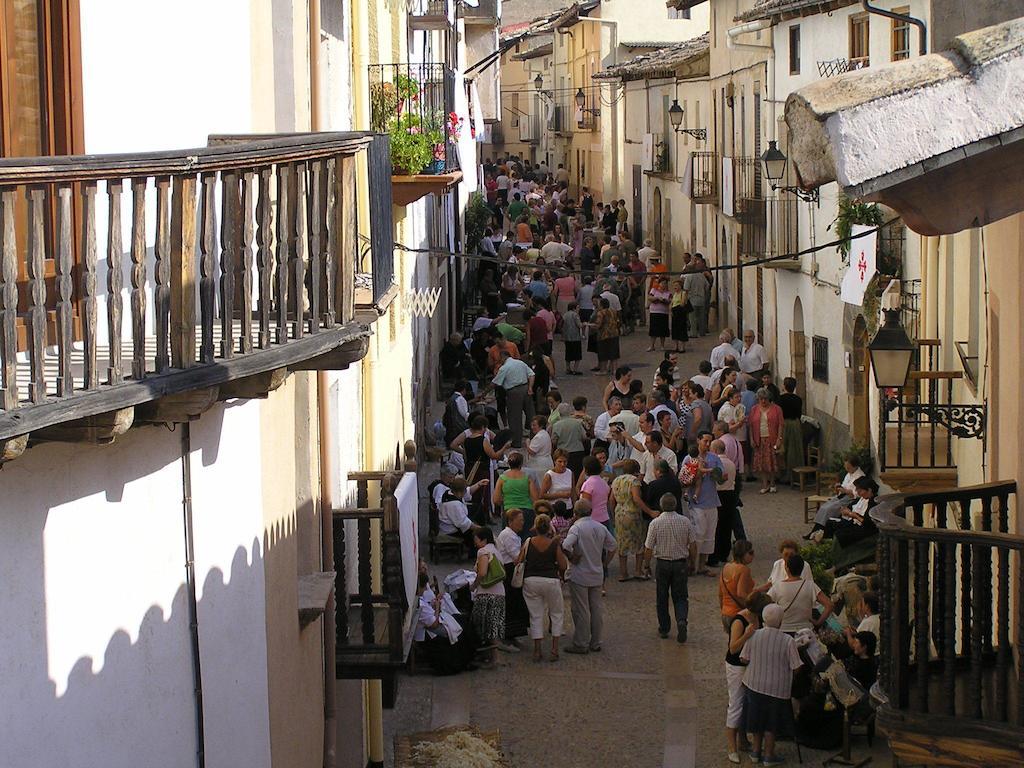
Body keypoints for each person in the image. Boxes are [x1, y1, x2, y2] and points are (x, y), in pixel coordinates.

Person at [740, 603, 804, 766]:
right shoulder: (788, 641)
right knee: (771, 722)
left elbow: (744, 658)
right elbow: (796, 667)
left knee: (757, 718)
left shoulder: (754, 635)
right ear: (781, 621)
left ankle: (755, 751)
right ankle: (768, 754)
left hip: (754, 684)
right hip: (777, 689)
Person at [562, 499, 617, 654]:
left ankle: (581, 642)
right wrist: (605, 563)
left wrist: (572, 557)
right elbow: (612, 545)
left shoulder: (577, 528)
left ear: (576, 513)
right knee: (596, 608)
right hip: (596, 573)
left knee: (581, 609)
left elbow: (565, 545)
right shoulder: (599, 527)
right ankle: (596, 641)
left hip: (580, 574)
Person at [725, 591, 773, 763]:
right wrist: (747, 634)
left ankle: (743, 739)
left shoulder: (758, 618)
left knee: (749, 702)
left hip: (751, 664)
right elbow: (733, 648)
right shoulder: (739, 621)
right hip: (737, 666)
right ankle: (732, 746)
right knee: (736, 703)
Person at [643, 493, 697, 643]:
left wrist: (646, 565)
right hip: (680, 563)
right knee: (680, 596)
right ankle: (681, 619)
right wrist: (693, 562)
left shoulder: (655, 523)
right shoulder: (685, 522)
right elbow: (692, 545)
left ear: (661, 506)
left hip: (662, 563)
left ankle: (664, 627)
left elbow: (648, 547)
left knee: (662, 597)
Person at [516, 513, 569, 662]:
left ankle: (537, 650)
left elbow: (518, 560)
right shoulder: (553, 544)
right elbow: (563, 565)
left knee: (535, 615)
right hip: (550, 580)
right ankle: (554, 649)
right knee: (556, 613)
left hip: (531, 580)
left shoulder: (528, 542)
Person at [683, 431, 724, 575]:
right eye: (705, 441)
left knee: (709, 534)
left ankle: (702, 565)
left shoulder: (714, 458)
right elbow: (684, 478)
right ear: (698, 440)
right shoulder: (689, 458)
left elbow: (721, 477)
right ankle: (692, 565)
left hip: (712, 500)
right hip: (697, 503)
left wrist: (717, 473)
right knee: (697, 534)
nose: (707, 444)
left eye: (709, 442)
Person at [767, 553, 834, 633]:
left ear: (787, 568)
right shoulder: (810, 586)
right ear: (802, 569)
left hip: (784, 631)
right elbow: (829, 605)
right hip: (806, 632)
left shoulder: (777, 587)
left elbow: (765, 604)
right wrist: (818, 623)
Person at [806, 454, 865, 538]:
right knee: (823, 507)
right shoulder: (849, 473)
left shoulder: (860, 476)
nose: (846, 469)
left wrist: (845, 491)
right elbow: (844, 485)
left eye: (848, 467)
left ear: (855, 466)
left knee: (828, 509)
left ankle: (820, 532)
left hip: (849, 499)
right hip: (842, 496)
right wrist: (839, 486)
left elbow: (857, 494)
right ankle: (815, 530)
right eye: (846, 467)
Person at [471, 527, 506, 668]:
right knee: (494, 626)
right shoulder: (497, 551)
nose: (475, 544)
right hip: (499, 593)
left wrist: (474, 585)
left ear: (483, 540)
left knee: (483, 625)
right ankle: (495, 657)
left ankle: (493, 658)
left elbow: (483, 572)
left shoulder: (483, 551)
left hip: (486, 593)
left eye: (476, 540)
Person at [496, 509, 529, 650]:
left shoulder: (511, 535)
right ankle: (507, 637)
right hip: (509, 572)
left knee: (515, 603)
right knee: (511, 603)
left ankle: (513, 635)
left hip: (511, 571)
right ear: (511, 521)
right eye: (519, 520)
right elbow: (517, 557)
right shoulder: (508, 536)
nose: (522, 522)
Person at [608, 459, 646, 581]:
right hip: (632, 513)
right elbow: (636, 498)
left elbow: (611, 500)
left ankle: (623, 573)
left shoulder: (616, 480)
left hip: (619, 513)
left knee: (622, 543)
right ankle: (638, 570)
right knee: (639, 542)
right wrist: (649, 511)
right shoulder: (634, 481)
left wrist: (614, 515)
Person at [491, 350, 535, 448]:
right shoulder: (520, 363)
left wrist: (485, 393)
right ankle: (535, 438)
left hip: (513, 392)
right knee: (531, 415)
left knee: (515, 417)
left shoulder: (504, 368)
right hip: (525, 388)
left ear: (503, 357)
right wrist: (530, 387)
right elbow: (531, 374)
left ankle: (517, 441)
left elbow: (495, 383)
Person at [823, 476, 879, 547]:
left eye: (860, 490)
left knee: (839, 534)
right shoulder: (863, 498)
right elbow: (851, 508)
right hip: (855, 522)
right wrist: (847, 512)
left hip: (865, 528)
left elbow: (867, 522)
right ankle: (826, 546)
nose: (858, 493)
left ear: (869, 490)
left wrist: (853, 515)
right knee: (830, 523)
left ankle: (833, 551)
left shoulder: (874, 502)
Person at [492, 452, 539, 538]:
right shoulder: (527, 478)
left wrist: (505, 500)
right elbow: (536, 499)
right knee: (526, 539)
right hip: (527, 511)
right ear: (521, 464)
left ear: (509, 464)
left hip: (509, 511)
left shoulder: (502, 478)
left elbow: (496, 500)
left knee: (509, 539)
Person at [749, 387, 784, 494]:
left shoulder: (777, 409)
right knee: (761, 463)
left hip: (771, 439)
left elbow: (781, 425)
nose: (763, 401)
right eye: (761, 399)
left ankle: (772, 483)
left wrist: (779, 438)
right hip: (759, 439)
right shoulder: (754, 409)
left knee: (772, 462)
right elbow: (750, 425)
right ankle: (765, 484)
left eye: (765, 399)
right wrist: (751, 439)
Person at [711, 439, 740, 567]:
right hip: (730, 494)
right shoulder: (731, 463)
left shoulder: (717, 464)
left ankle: (715, 554)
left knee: (716, 526)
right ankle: (724, 553)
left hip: (719, 494)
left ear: (716, 450)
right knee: (727, 526)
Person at [439, 477, 486, 549]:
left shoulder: (450, 492)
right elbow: (464, 523)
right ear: (460, 492)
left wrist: (479, 484)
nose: (465, 492)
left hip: (455, 522)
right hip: (451, 530)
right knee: (477, 534)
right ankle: (474, 552)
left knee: (478, 507)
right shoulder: (454, 504)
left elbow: (468, 491)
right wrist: (481, 529)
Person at [719, 540, 755, 632]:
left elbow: (720, 594)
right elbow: (741, 593)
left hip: (726, 613)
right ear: (743, 554)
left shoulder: (726, 567)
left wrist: (723, 609)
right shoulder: (743, 570)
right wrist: (755, 603)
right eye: (751, 553)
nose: (753, 556)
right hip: (738, 613)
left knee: (732, 642)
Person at [550, 402, 588, 479]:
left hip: (563, 453)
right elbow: (584, 437)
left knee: (564, 476)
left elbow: (554, 441)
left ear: (559, 413)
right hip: (578, 452)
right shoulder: (577, 423)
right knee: (577, 476)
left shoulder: (557, 425)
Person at [777, 377, 804, 481]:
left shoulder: (780, 399)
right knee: (795, 449)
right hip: (795, 424)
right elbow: (799, 414)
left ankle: (784, 475)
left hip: (784, 424)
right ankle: (796, 475)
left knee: (784, 449)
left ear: (784, 386)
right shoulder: (798, 399)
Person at [577, 455, 612, 532]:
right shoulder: (604, 483)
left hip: (592, 521)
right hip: (604, 518)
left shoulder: (588, 484)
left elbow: (585, 505)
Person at [592, 297, 621, 374]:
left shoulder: (601, 313)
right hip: (614, 333)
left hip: (604, 335)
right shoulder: (613, 311)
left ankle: (603, 370)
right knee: (614, 353)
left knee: (603, 353)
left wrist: (590, 325)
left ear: (601, 305)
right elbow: (617, 321)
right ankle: (614, 369)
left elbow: (598, 324)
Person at [647, 277, 671, 352]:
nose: (664, 285)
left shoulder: (668, 293)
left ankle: (662, 346)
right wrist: (657, 298)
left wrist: (664, 300)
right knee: (653, 330)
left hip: (663, 312)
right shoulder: (654, 290)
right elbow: (650, 297)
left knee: (662, 330)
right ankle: (652, 345)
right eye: (663, 283)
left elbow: (669, 301)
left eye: (665, 283)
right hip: (654, 312)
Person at [562, 301, 583, 375]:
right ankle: (575, 369)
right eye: (577, 307)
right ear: (574, 308)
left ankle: (568, 368)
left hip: (567, 337)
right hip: (575, 337)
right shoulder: (575, 315)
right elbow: (579, 325)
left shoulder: (565, 314)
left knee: (568, 353)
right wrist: (584, 324)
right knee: (577, 355)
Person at [669, 278, 690, 353]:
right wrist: (670, 309)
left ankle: (682, 347)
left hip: (680, 313)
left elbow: (683, 303)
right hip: (674, 313)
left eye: (677, 285)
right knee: (675, 330)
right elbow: (672, 303)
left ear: (680, 286)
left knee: (682, 329)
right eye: (674, 286)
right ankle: (676, 346)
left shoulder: (683, 293)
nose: (675, 287)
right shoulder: (674, 294)